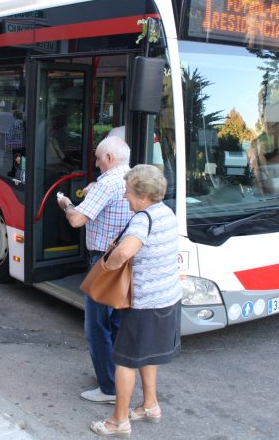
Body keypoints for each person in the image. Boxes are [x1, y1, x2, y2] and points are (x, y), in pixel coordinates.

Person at [88, 164, 183, 437]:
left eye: (129, 192)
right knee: (146, 354)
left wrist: (107, 266)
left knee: (125, 361)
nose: (126, 197)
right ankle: (150, 406)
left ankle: (118, 421)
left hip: (144, 304)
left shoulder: (144, 219)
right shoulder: (167, 213)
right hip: (167, 299)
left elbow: (124, 253)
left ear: (143, 196)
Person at [57, 135, 132, 404]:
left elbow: (77, 220)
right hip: (127, 259)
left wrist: (66, 204)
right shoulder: (133, 178)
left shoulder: (106, 182)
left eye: (99, 158)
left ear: (110, 158)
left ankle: (109, 389)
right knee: (117, 323)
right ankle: (115, 376)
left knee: (96, 326)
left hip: (104, 261)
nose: (97, 163)